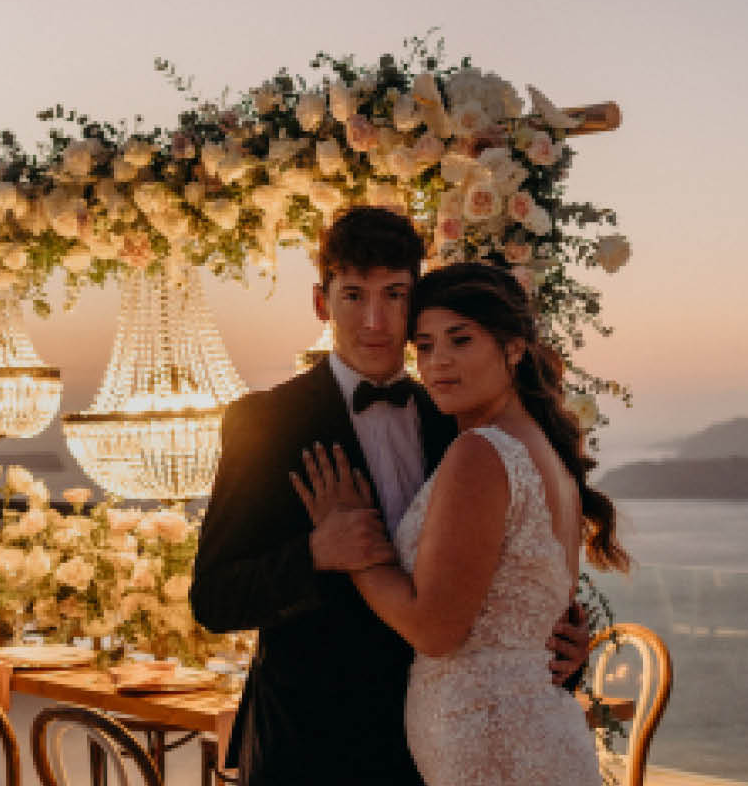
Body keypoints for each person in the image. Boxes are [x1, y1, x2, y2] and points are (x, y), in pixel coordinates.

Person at [190, 209, 589, 786]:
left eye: (394, 294)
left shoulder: (455, 413)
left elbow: (509, 571)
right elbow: (214, 598)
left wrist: (559, 649)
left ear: (413, 299)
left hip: (438, 750)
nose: (375, 321)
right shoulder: (265, 422)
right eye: (353, 295)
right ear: (321, 303)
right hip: (311, 751)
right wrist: (315, 554)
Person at [292, 260, 630, 786]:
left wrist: (355, 547)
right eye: (424, 346)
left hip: (490, 741)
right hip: (527, 732)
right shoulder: (541, 446)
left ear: (513, 348)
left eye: (460, 340)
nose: (438, 362)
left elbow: (435, 630)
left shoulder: (481, 452)